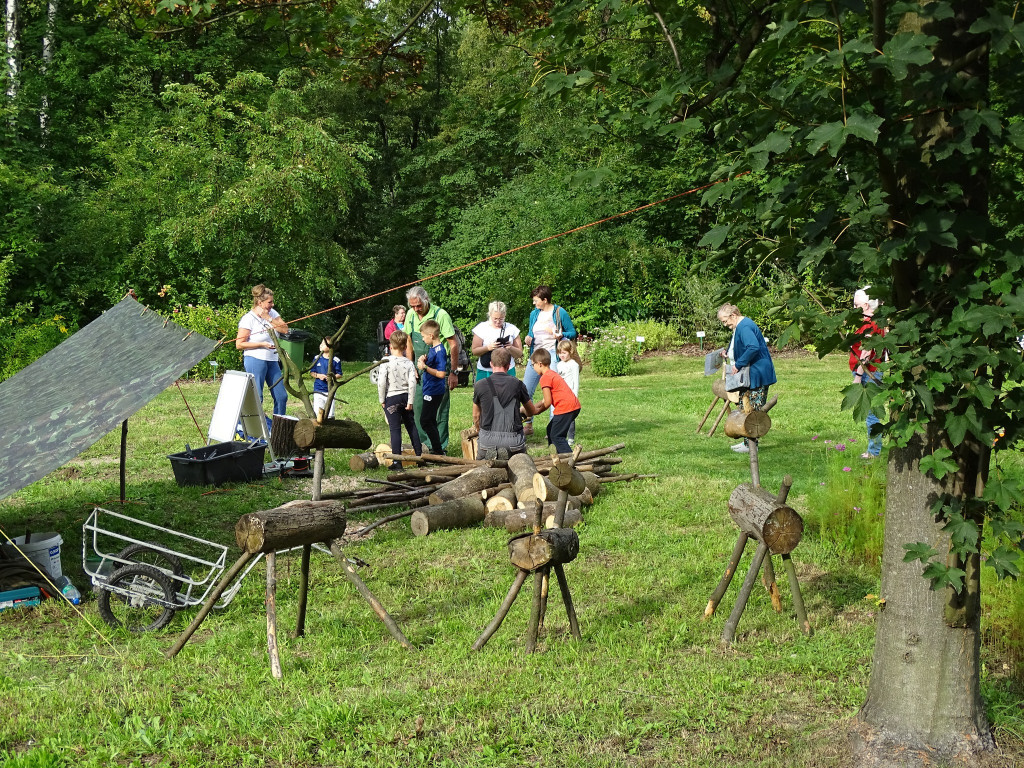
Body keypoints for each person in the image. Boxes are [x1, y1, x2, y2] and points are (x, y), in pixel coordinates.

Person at [404, 286, 460, 451]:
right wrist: (411, 365)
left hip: (439, 368)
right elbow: (409, 342)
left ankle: (439, 446)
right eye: (412, 306)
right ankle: (423, 445)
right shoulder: (410, 315)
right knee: (419, 406)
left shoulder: (440, 315)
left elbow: (453, 344)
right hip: (419, 367)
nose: (416, 309)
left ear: (426, 299)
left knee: (439, 408)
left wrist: (454, 372)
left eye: (418, 306)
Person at [717, 303, 776, 454]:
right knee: (745, 406)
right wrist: (727, 353)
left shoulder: (745, 326)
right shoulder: (739, 326)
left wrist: (739, 363)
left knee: (753, 410)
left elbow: (753, 347)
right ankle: (746, 442)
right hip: (749, 373)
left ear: (733, 315)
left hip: (757, 373)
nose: (725, 325)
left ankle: (752, 445)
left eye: (725, 321)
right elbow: (738, 346)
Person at [522, 285, 576, 436]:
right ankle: (528, 423)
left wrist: (559, 334)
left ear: (545, 300)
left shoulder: (559, 312)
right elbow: (530, 332)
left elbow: (572, 332)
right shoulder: (534, 314)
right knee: (525, 390)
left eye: (536, 300)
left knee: (553, 391)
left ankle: (554, 427)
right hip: (535, 355)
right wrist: (528, 338)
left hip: (552, 353)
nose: (534, 303)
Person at [236, 284, 289, 417]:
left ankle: (278, 428)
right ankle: (254, 431)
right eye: (269, 302)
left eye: (272, 301)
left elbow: (285, 330)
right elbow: (239, 344)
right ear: (260, 302)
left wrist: (269, 319)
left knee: (281, 396)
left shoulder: (272, 314)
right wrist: (261, 344)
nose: (272, 304)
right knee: (257, 398)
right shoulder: (248, 319)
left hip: (272, 360)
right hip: (255, 359)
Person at [472, 347, 533, 460]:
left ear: (491, 364)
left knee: (480, 467)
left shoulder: (480, 385)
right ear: (509, 366)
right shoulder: (518, 384)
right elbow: (531, 411)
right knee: (521, 465)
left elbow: (476, 415)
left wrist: (478, 430)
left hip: (487, 441)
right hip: (514, 441)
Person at [378, 330, 421, 469]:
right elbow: (412, 383)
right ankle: (420, 457)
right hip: (405, 398)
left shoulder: (385, 362)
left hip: (392, 398)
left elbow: (382, 383)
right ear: (405, 347)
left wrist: (382, 399)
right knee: (411, 426)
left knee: (395, 430)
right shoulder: (409, 363)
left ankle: (397, 462)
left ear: (390, 345)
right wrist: (410, 401)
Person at [851, 287, 885, 459]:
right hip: (869, 372)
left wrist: (858, 376)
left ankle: (873, 452)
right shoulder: (872, 322)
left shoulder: (870, 324)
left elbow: (866, 352)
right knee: (871, 413)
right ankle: (874, 449)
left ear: (865, 305)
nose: (854, 308)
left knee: (872, 414)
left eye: (856, 304)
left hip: (868, 373)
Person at [529, 348, 581, 454]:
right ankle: (555, 456)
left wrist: (536, 412)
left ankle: (569, 460)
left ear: (539, 364)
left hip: (565, 408)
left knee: (557, 436)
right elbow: (544, 400)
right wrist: (531, 407)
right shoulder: (552, 374)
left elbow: (547, 403)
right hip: (572, 406)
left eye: (532, 365)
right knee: (550, 429)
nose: (533, 368)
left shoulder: (544, 378)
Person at [416, 320, 448, 455]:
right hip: (429, 388)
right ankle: (437, 449)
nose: (422, 339)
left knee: (425, 420)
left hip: (434, 390)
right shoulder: (433, 349)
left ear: (431, 335)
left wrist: (425, 367)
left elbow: (441, 373)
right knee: (430, 420)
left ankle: (437, 450)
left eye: (423, 336)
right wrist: (423, 360)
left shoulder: (440, 351)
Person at [471, 301, 523, 380]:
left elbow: (519, 353)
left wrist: (510, 348)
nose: (498, 322)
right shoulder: (481, 328)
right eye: (495, 319)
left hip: (507, 370)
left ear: (505, 315)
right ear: (490, 315)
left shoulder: (512, 329)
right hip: (486, 370)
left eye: (501, 319)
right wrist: (488, 348)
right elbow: (474, 351)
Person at [556, 339, 582, 446]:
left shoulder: (573, 365)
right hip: (561, 395)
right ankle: (561, 434)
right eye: (560, 353)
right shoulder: (559, 365)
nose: (561, 355)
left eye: (564, 353)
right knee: (562, 416)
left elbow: (576, 381)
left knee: (570, 418)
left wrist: (575, 396)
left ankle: (571, 438)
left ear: (570, 352)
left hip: (570, 395)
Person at [309, 337, 343, 419]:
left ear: (331, 347)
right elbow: (312, 372)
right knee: (318, 411)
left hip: (330, 390)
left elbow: (339, 374)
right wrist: (318, 375)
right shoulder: (317, 358)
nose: (320, 345)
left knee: (330, 412)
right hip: (318, 389)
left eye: (324, 344)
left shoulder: (336, 360)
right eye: (321, 343)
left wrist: (332, 377)